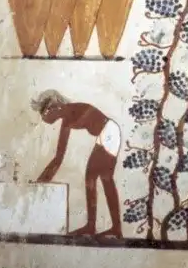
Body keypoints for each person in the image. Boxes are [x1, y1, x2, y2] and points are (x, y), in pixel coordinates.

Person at [32, 90, 123, 238]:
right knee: (96, 178)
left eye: (44, 112)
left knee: (99, 177)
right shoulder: (66, 119)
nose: (43, 117)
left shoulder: (71, 111)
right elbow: (59, 158)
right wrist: (42, 181)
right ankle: (104, 227)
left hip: (109, 133)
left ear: (53, 107)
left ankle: (101, 227)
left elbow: (87, 117)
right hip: (105, 135)